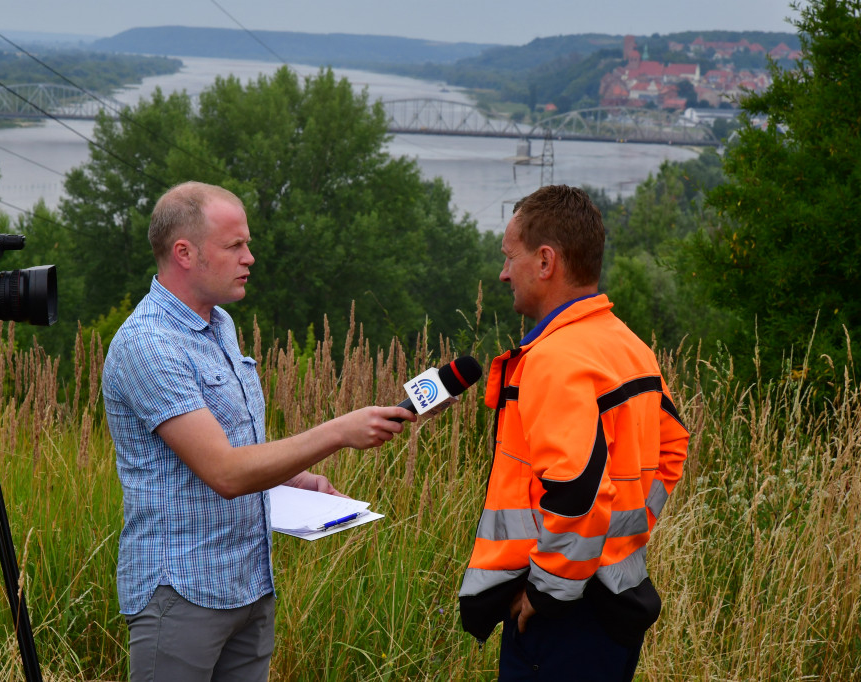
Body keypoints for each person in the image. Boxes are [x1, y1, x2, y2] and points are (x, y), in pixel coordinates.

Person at [101, 181, 414, 682]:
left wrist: (296, 480)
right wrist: (339, 431)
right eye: (235, 246)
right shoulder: (149, 345)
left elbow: (233, 449)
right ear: (185, 252)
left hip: (250, 584)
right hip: (182, 593)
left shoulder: (220, 324)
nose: (250, 257)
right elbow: (224, 472)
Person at [457, 185, 689, 681]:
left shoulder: (554, 360)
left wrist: (547, 591)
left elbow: (576, 490)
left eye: (509, 257)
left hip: (563, 621)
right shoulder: (627, 345)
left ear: (545, 261)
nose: (502, 273)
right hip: (613, 605)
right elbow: (674, 444)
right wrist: (618, 539)